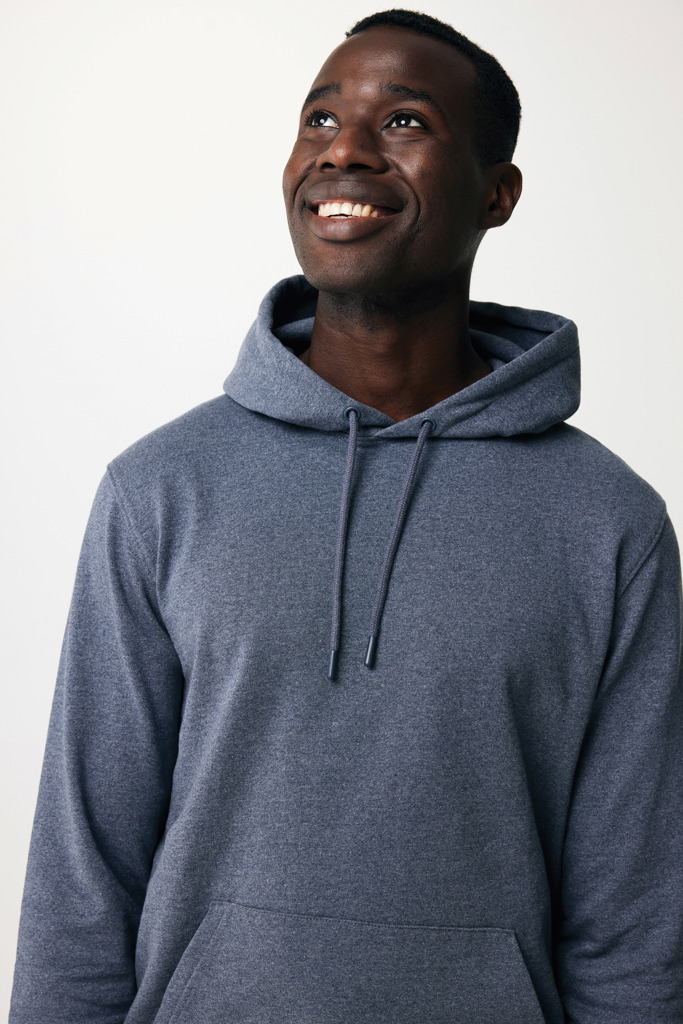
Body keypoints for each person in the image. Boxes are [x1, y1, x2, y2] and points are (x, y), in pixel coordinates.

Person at [10, 9, 683, 1023]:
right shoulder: (160, 490)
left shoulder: (607, 524)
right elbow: (82, 878)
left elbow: (634, 918)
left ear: (496, 193)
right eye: (319, 119)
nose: (344, 151)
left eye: (403, 122)